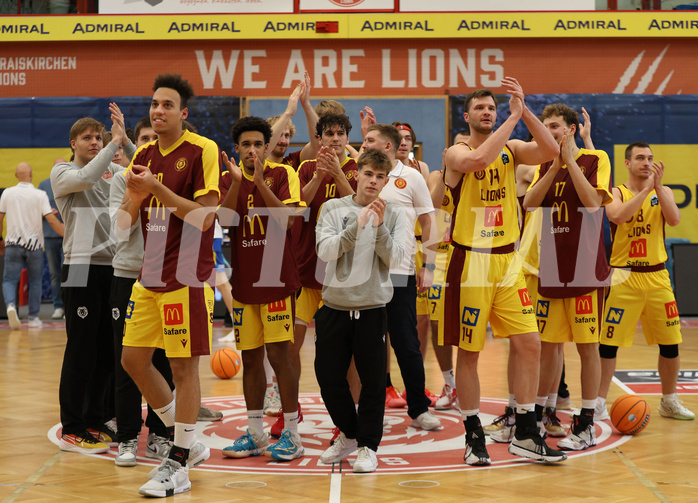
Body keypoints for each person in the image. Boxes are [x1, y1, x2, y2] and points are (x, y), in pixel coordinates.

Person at [442, 80, 567, 465]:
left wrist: (524, 109)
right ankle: (473, 434)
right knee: (470, 352)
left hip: (507, 260)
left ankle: (526, 432)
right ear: (466, 116)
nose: (487, 112)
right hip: (472, 261)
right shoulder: (455, 151)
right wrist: (512, 118)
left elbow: (550, 150)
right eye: (480, 108)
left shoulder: (512, 148)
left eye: (491, 108)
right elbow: (478, 162)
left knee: (529, 343)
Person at [118, 74, 220, 498]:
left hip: (187, 275)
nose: (157, 110)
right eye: (154, 103)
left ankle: (178, 463)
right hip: (151, 273)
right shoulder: (141, 153)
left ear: (183, 114)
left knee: (183, 367)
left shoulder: (203, 150)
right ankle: (188, 439)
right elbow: (124, 224)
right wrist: (134, 198)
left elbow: (206, 217)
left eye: (167, 104)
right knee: (133, 361)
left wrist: (157, 188)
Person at [523, 103, 612, 451]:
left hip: (585, 267)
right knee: (550, 345)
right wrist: (554, 166)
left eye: (555, 126)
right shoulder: (543, 164)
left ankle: (587, 422)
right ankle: (547, 413)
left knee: (587, 347)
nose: (549, 132)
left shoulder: (596, 159)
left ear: (571, 129)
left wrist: (570, 161)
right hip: (552, 265)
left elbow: (592, 204)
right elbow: (530, 203)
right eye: (545, 127)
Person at [314, 149, 406, 473]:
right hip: (334, 307)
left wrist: (378, 228)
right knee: (327, 377)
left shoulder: (393, 213)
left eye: (381, 177)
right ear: (357, 174)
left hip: (372, 308)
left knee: (372, 382)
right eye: (369, 174)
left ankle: (368, 445)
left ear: (386, 181)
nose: (374, 181)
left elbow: (396, 260)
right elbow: (325, 251)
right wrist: (358, 224)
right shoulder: (332, 207)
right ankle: (350, 434)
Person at [219, 116, 304, 462]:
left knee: (279, 356)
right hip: (244, 282)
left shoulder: (283, 174)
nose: (252, 150)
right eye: (245, 145)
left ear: (267, 147)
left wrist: (257, 181)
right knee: (251, 358)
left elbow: (287, 218)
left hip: (277, 279)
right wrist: (240, 184)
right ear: (237, 148)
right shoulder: (227, 177)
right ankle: (255, 434)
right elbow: (225, 222)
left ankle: (292, 435)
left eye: (258, 144)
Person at [52, 105, 135, 454]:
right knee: (81, 349)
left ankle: (96, 418)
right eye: (87, 138)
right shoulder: (63, 170)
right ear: (73, 143)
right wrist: (110, 145)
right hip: (80, 266)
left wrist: (126, 141)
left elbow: (141, 168)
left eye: (97, 137)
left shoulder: (112, 168)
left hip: (111, 266)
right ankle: (72, 424)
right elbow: (86, 178)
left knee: (106, 351)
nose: (94, 142)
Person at [270, 113, 358, 437]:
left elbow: (360, 210)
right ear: (319, 139)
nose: (335, 139)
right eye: (329, 134)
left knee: (347, 356)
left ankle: (346, 422)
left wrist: (338, 174)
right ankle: (288, 412)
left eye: (340, 133)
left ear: (348, 138)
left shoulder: (360, 170)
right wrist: (321, 176)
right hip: (306, 275)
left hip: (343, 279)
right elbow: (294, 210)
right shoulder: (304, 170)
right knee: (288, 350)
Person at [597, 142, 694, 421]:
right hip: (623, 275)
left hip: (657, 275)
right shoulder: (615, 192)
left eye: (650, 158)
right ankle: (600, 403)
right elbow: (618, 216)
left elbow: (674, 220)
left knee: (671, 342)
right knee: (609, 344)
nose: (646, 162)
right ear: (627, 163)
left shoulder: (662, 192)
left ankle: (669, 400)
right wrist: (648, 190)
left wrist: (657, 190)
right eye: (640, 158)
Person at [362, 123, 441, 431]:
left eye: (370, 140)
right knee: (367, 345)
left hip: (400, 273)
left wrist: (429, 266)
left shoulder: (412, 177)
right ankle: (370, 408)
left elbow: (429, 222)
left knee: (406, 343)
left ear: (387, 147)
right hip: (364, 274)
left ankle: (419, 409)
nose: (364, 143)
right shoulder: (362, 175)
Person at [0, 162, 64, 329]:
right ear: (31, 175)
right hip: (34, 246)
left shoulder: (7, 193)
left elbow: (0, 219)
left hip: (13, 244)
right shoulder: (40, 194)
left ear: (15, 175)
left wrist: (0, 238)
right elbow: (51, 220)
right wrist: (68, 234)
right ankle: (33, 318)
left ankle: (11, 306)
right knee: (35, 281)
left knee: (9, 279)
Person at [38, 161, 66, 320]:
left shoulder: (72, 181)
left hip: (70, 235)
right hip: (50, 235)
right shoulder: (43, 185)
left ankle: (69, 306)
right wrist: (47, 214)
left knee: (67, 271)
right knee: (55, 273)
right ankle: (58, 306)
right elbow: (35, 210)